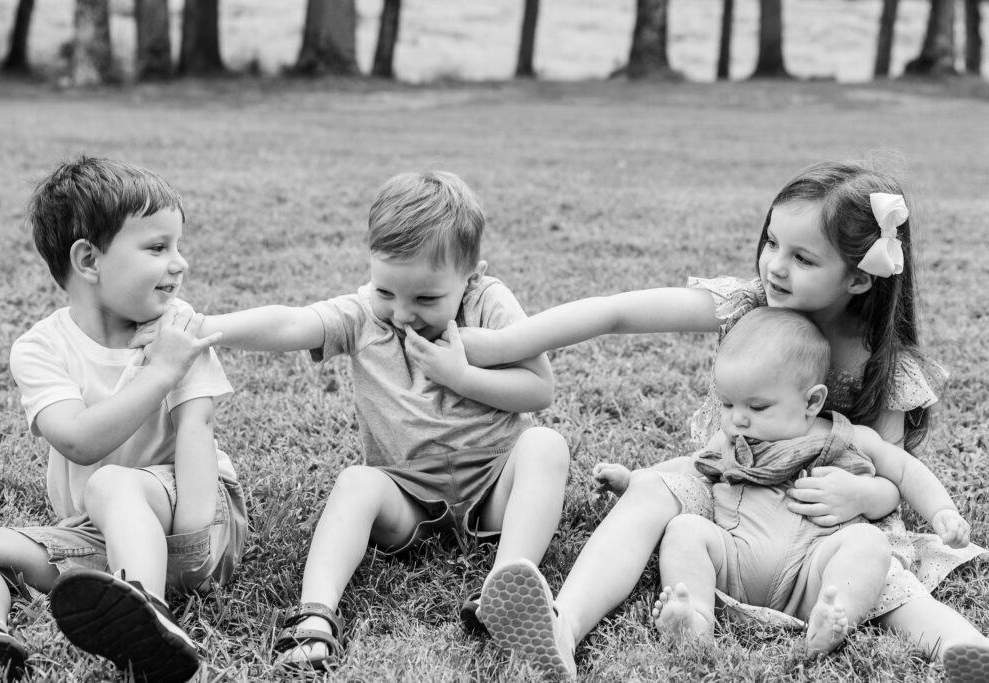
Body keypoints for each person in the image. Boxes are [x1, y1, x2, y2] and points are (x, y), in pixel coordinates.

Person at [463, 161, 988, 681]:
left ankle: (961, 646)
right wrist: (502, 346)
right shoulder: (747, 305)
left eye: (802, 258)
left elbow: (894, 473)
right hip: (729, 498)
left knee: (890, 582)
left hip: (828, 534)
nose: (775, 266)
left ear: (858, 277)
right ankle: (564, 626)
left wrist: (862, 495)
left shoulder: (883, 363)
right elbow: (616, 312)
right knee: (652, 497)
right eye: (772, 242)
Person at [161, 170, 570, 675]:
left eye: (426, 299)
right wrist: (204, 329)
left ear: (471, 276)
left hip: (495, 487)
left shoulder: (488, 302)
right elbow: (291, 322)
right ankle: (315, 616)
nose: (402, 313)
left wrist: (460, 376)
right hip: (408, 496)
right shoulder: (361, 316)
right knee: (356, 482)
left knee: (545, 445)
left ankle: (503, 591)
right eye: (386, 291)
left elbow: (539, 389)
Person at [0, 157, 246, 683]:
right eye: (158, 248)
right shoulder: (41, 348)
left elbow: (197, 428)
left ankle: (149, 616)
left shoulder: (176, 332)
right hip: (100, 535)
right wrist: (159, 374)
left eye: (177, 246)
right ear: (89, 260)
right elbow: (77, 439)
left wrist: (192, 547)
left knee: (113, 484)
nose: (180, 263)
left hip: (198, 512)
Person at [617, 308, 967, 656]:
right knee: (684, 529)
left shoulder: (846, 436)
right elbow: (687, 467)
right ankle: (694, 617)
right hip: (732, 562)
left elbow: (905, 470)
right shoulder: (730, 442)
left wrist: (943, 512)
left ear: (812, 401)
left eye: (757, 407)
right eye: (727, 404)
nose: (738, 419)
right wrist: (634, 479)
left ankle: (834, 615)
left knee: (869, 542)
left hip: (812, 576)